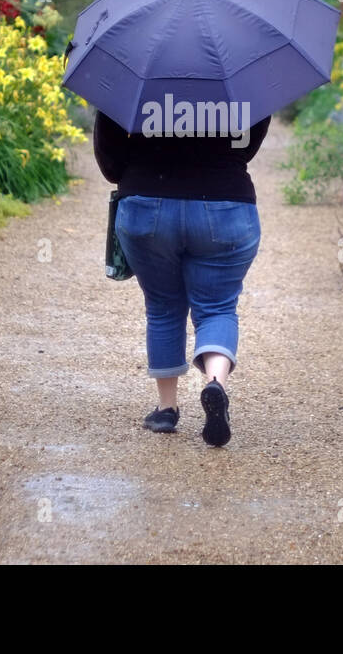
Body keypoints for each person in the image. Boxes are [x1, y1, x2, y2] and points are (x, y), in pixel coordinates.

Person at [93, 108, 270, 447]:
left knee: (162, 304)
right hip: (226, 204)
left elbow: (109, 153)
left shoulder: (137, 69)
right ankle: (214, 383)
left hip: (147, 201)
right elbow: (248, 141)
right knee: (217, 307)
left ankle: (165, 410)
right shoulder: (237, 70)